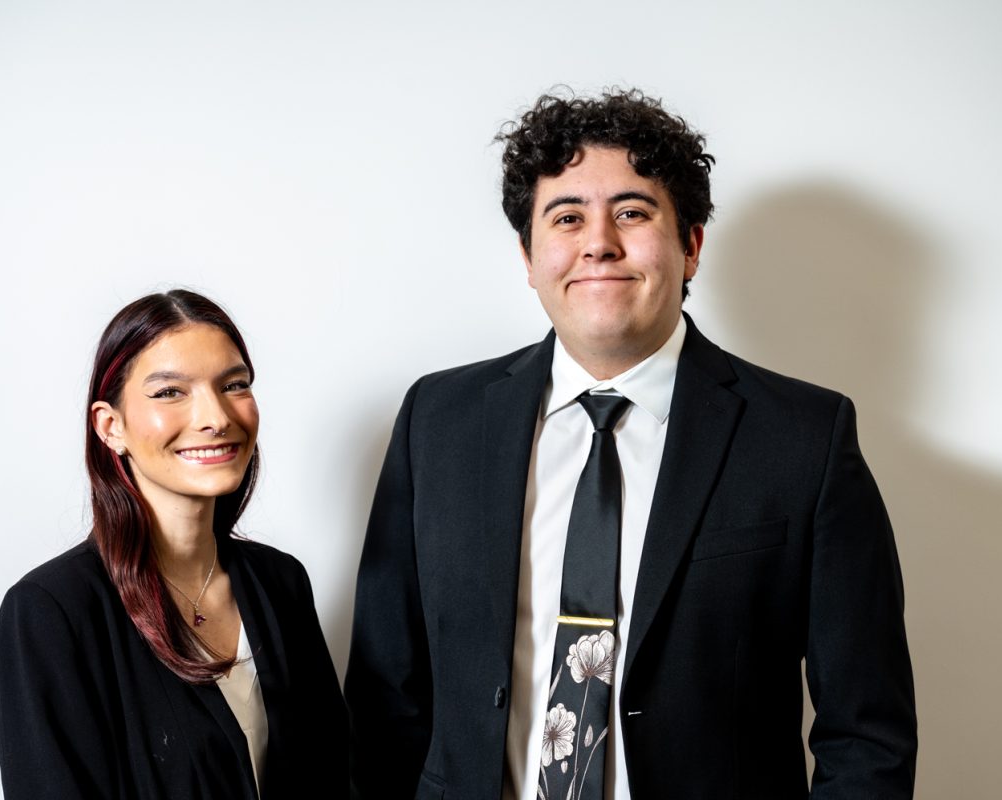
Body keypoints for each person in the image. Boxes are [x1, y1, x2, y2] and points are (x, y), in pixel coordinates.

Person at [345, 90, 917, 799]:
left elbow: (865, 732)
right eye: (566, 217)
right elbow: (382, 699)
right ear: (528, 255)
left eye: (632, 212)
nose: (598, 243)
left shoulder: (804, 437)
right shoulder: (439, 421)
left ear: (691, 246)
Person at [0, 290, 348, 799]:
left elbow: (331, 774)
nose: (216, 416)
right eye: (169, 392)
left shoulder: (280, 582)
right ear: (110, 426)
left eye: (234, 384)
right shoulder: (52, 611)